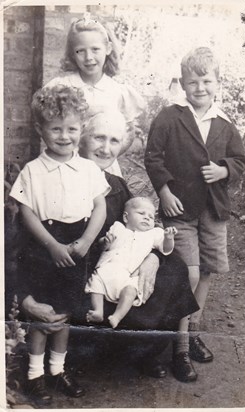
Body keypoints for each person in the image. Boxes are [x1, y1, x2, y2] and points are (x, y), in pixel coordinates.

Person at [18, 108, 199, 386]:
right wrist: (26, 299)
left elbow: (142, 228)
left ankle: (148, 351)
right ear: (83, 138)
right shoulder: (49, 178)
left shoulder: (116, 185)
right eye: (98, 138)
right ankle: (77, 358)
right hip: (72, 276)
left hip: (113, 274)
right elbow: (19, 244)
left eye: (114, 141)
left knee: (174, 267)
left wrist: (152, 256)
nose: (105, 148)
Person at [144, 47, 245, 381]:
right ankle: (181, 348)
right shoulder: (169, 116)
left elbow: (239, 161)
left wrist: (224, 171)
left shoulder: (225, 123)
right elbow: (153, 158)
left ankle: (193, 331)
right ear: (182, 83)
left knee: (206, 271)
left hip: (213, 210)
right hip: (180, 208)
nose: (199, 88)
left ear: (218, 83)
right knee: (187, 273)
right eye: (192, 82)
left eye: (206, 81)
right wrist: (164, 190)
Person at [9, 85, 110, 404]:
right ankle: (35, 377)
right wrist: (52, 245)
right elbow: (26, 212)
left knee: (64, 315)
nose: (64, 136)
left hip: (78, 244)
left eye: (72, 128)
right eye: (56, 128)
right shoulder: (32, 171)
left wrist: (86, 240)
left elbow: (100, 207)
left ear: (82, 129)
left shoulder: (89, 169)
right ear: (41, 130)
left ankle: (57, 370)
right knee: (44, 317)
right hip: (44, 248)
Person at [45, 16, 145, 177]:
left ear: (108, 48)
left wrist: (108, 153)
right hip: (66, 165)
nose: (89, 57)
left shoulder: (117, 91)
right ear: (72, 53)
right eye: (81, 51)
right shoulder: (61, 86)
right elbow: (47, 126)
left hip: (104, 169)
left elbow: (128, 132)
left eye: (95, 49)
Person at [85, 196, 177, 328]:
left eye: (151, 217)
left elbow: (166, 249)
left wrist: (168, 238)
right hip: (109, 268)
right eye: (141, 213)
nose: (147, 218)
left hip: (129, 275)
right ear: (126, 217)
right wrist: (105, 242)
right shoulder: (118, 228)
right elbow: (102, 246)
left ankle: (117, 316)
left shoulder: (153, 234)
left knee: (131, 291)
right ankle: (98, 311)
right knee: (96, 283)